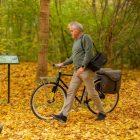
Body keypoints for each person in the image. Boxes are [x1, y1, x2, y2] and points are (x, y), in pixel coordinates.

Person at [52, 21, 106, 123]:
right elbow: (73, 57)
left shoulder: (86, 38)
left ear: (77, 30)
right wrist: (63, 63)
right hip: (77, 71)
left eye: (72, 30)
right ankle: (63, 115)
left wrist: (83, 66)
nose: (71, 32)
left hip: (86, 71)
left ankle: (102, 112)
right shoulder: (76, 41)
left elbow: (89, 53)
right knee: (71, 92)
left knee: (91, 93)